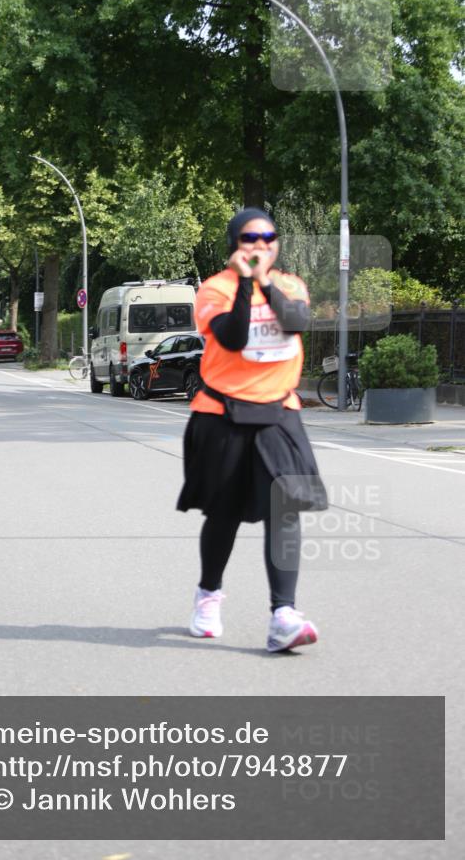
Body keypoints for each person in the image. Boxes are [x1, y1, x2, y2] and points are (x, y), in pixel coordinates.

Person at [177, 208, 327, 653]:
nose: (260, 245)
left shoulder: (291, 285)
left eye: (268, 237)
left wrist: (264, 283)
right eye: (249, 238)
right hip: (221, 414)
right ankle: (208, 597)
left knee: (285, 509)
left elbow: (296, 323)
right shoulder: (214, 289)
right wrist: (246, 283)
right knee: (223, 514)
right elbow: (234, 339)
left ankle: (284, 614)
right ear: (234, 245)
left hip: (279, 413)